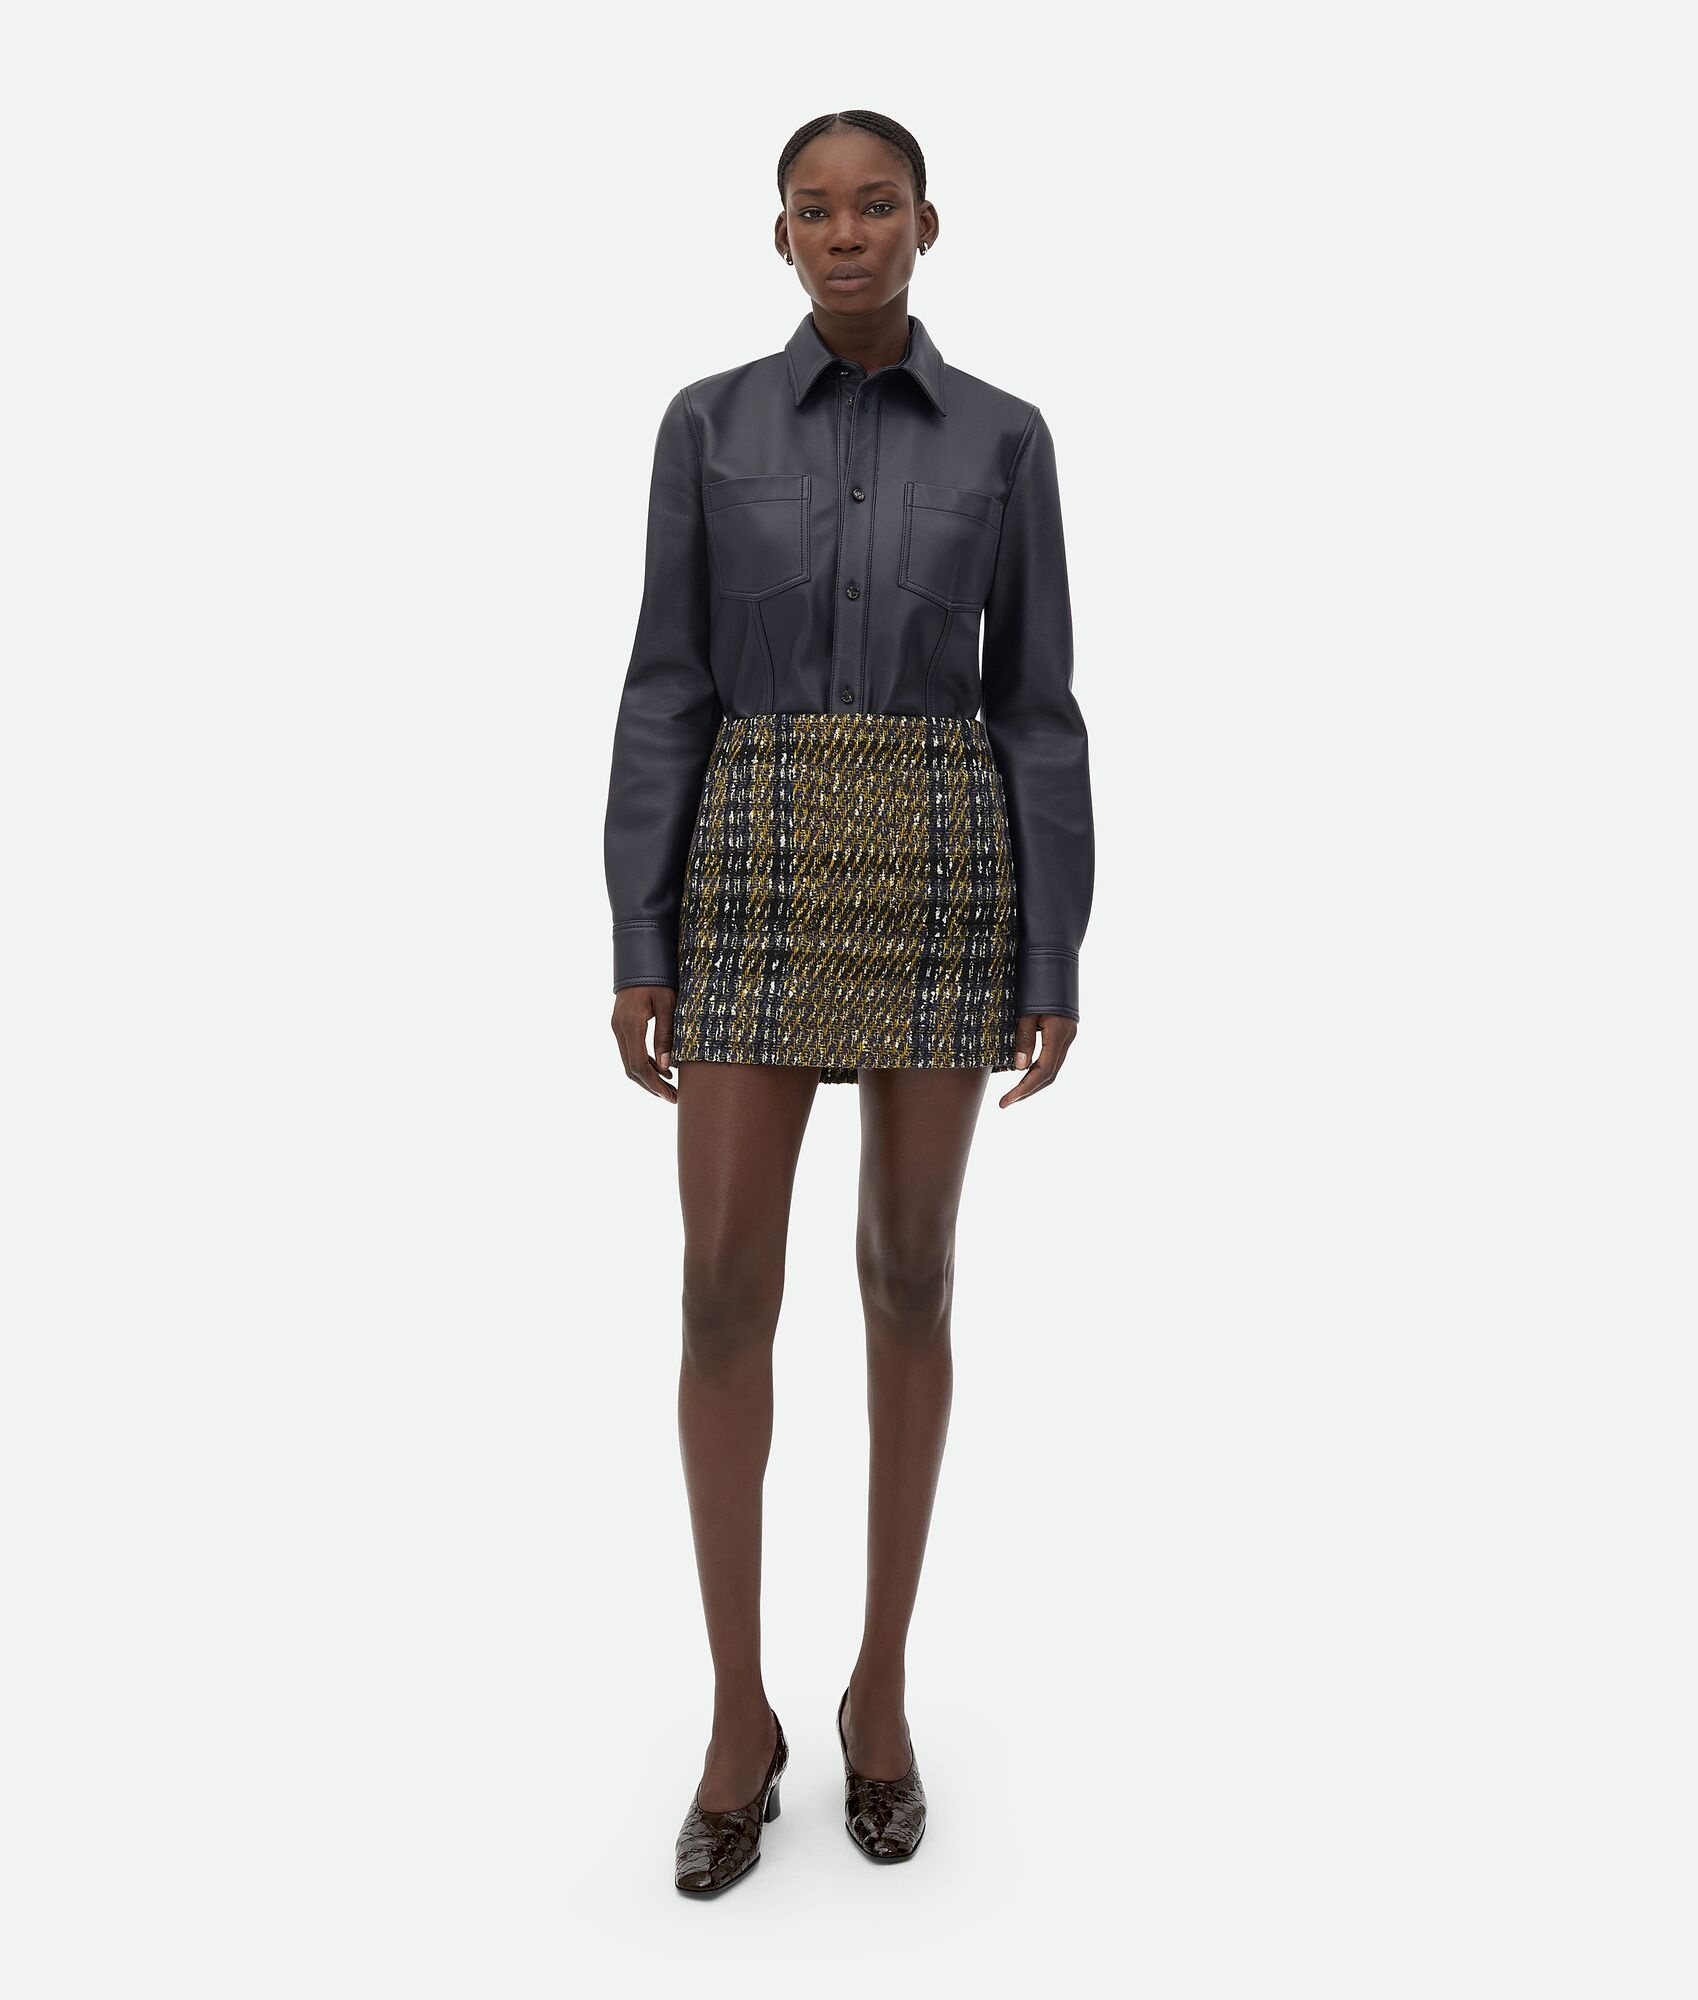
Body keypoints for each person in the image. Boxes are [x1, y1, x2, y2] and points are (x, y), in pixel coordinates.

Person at [603, 108, 1094, 1896]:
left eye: (874, 204)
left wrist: (1054, 950)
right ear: (780, 236)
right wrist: (637, 933)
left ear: (925, 224)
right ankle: (737, 1719)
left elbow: (1035, 704)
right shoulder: (705, 425)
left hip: (945, 850)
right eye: (813, 209)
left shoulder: (1006, 438)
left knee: (908, 1276)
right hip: (748, 841)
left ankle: (877, 1696)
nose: (844, 232)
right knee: (720, 1288)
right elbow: (665, 681)